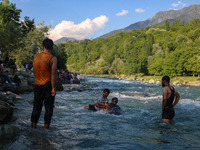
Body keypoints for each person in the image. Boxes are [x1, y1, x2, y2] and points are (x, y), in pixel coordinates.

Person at [31, 39, 57, 129]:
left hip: (37, 83)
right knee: (49, 107)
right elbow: (53, 74)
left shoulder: (36, 57)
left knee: (36, 107)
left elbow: (34, 71)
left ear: (43, 46)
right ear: (52, 47)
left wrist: (38, 79)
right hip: (48, 84)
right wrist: (53, 88)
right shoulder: (53, 58)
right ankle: (46, 128)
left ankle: (33, 126)